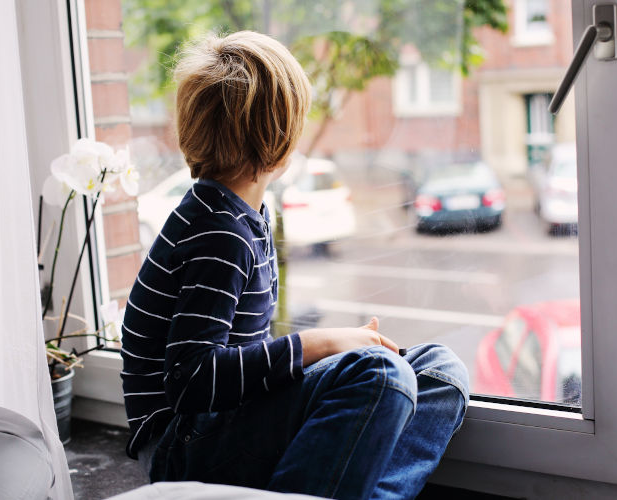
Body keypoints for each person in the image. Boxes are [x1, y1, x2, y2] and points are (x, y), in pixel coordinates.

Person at [120, 30, 469, 500]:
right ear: (281, 139)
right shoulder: (218, 232)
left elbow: (242, 361)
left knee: (439, 371)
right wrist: (321, 344)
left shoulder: (244, 214)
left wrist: (334, 354)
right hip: (181, 446)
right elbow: (191, 382)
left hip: (222, 423)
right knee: (381, 374)